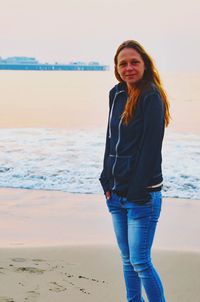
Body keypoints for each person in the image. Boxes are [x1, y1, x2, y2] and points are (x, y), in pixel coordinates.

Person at [99, 40, 170, 302]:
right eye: (123, 63)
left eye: (134, 62)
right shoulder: (115, 93)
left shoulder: (152, 96)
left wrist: (136, 190)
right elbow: (110, 139)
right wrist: (105, 179)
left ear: (144, 64)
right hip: (115, 193)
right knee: (128, 260)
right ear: (117, 69)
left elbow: (151, 148)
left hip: (142, 196)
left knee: (140, 261)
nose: (128, 68)